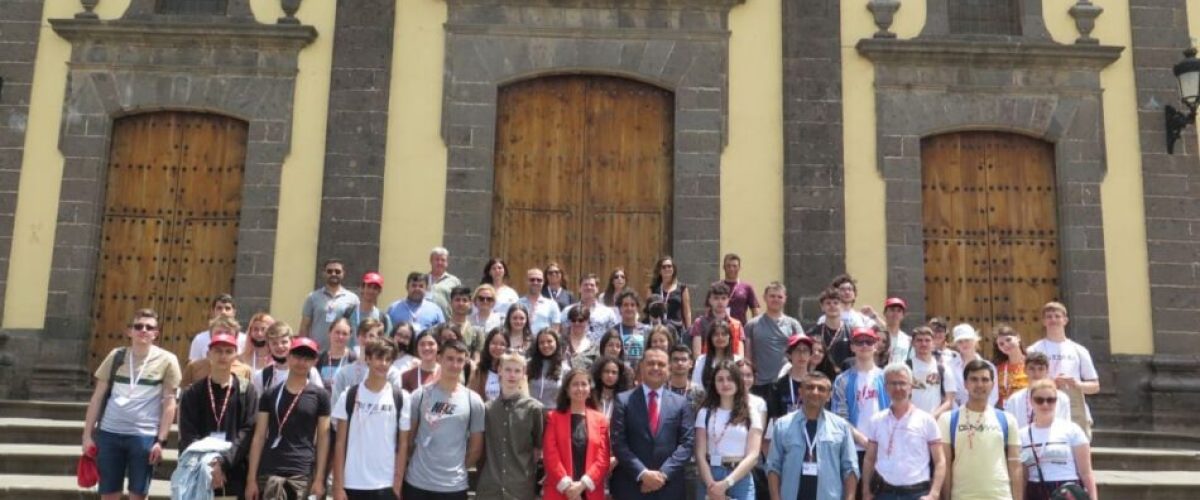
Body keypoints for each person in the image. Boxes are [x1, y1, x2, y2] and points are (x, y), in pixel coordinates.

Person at [83, 308, 181, 500]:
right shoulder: (116, 356)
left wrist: (161, 441)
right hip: (109, 434)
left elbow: (170, 403)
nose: (143, 330)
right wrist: (87, 435)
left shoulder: (168, 360)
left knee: (138, 494)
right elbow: (97, 397)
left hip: (143, 436)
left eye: (149, 327)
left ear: (156, 333)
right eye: (138, 326)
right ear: (130, 331)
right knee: (108, 494)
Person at [245, 337, 331, 500]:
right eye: (298, 356)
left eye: (308, 358)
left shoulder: (321, 396)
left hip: (302, 472)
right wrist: (251, 479)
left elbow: (323, 438)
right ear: (289, 357)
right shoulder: (270, 394)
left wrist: (319, 479)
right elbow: (259, 437)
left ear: (314, 361)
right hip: (269, 471)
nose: (302, 362)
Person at [177, 333, 259, 498]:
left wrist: (223, 463)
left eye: (229, 351)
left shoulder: (247, 391)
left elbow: (247, 431)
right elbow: (188, 433)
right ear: (208, 354)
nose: (223, 356)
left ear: (236, 355)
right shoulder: (193, 392)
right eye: (218, 351)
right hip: (199, 469)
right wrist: (210, 464)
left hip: (235, 468)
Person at [403, 339, 485, 500]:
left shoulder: (473, 401)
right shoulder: (419, 395)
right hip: (417, 484)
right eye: (450, 358)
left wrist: (455, 470)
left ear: (465, 363)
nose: (454, 365)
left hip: (453, 486)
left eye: (460, 360)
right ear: (439, 358)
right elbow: (409, 440)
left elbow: (475, 449)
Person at [610, 347, 696, 499]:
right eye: (651, 363)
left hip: (669, 488)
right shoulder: (623, 401)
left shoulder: (681, 403)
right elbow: (618, 443)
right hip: (631, 486)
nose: (656, 368)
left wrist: (662, 475)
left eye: (661, 364)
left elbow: (687, 444)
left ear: (668, 369)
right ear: (641, 366)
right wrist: (643, 474)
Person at [330, 338, 410, 500]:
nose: (383, 363)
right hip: (352, 483)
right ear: (367, 359)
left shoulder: (401, 397)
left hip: (385, 484)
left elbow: (403, 444)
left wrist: (397, 483)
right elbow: (339, 443)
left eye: (388, 359)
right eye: (379, 358)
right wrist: (338, 486)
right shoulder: (349, 395)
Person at [765, 372, 859, 500]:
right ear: (800, 392)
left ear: (829, 396)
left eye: (821, 389)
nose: (815, 392)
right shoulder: (782, 425)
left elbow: (850, 468)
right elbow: (773, 467)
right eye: (809, 387)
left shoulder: (841, 427)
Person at [860, 363, 946, 500]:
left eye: (902, 383)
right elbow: (869, 459)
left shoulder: (927, 420)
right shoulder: (876, 420)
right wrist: (865, 491)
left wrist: (934, 494)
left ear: (911, 387)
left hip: (917, 494)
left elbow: (940, 460)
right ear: (886, 388)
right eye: (893, 383)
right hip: (884, 492)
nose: (898, 388)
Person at [938, 359, 1022, 500]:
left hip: (1000, 496)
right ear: (965, 384)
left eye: (985, 379)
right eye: (974, 379)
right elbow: (944, 465)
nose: (979, 384)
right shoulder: (947, 419)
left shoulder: (1008, 419)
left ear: (992, 384)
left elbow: (1015, 466)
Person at [477, 352, 545, 499]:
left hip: (519, 488)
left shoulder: (534, 409)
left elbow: (537, 449)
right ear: (500, 371)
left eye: (517, 371)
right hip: (490, 488)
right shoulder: (487, 409)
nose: (512, 375)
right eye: (508, 370)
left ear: (523, 374)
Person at [1027, 301, 1099, 437]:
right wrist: (1051, 383)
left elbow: (1095, 386)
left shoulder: (1079, 350)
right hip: (1044, 406)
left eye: (1057, 316)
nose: (1053, 319)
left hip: (1075, 408)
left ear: (1065, 320)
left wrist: (1077, 384)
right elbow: (1027, 381)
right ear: (1043, 321)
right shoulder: (1034, 349)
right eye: (1049, 317)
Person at [1018, 379, 1097, 500]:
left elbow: (1086, 472)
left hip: (1066, 491)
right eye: (1039, 400)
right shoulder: (1022, 434)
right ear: (1031, 402)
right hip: (1034, 490)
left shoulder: (1072, 430)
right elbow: (1022, 477)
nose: (1045, 404)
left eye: (1050, 400)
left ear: (1056, 401)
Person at [695, 360, 763, 500]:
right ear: (714, 384)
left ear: (738, 382)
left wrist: (726, 483)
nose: (725, 384)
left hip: (739, 478)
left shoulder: (751, 413)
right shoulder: (705, 412)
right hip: (710, 476)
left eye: (730, 379)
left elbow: (753, 455)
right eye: (720, 379)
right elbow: (700, 454)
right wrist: (711, 485)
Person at [831, 327, 889, 491]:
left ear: (876, 345)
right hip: (853, 449)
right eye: (859, 342)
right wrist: (864, 441)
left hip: (883, 448)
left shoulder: (886, 378)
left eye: (869, 341)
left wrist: (878, 443)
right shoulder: (842, 380)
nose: (864, 345)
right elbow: (840, 418)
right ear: (852, 347)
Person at [544, 367, 611, 500]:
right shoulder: (553, 418)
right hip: (561, 491)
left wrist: (582, 485)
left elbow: (603, 458)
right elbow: (550, 454)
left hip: (590, 491)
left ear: (590, 391)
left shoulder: (600, 420)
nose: (580, 388)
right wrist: (567, 486)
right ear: (567, 391)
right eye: (575, 384)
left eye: (584, 384)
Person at [745, 282, 804, 403]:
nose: (775, 299)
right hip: (759, 383)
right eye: (772, 296)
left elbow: (802, 351)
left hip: (785, 381)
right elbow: (747, 356)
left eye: (779, 297)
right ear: (765, 298)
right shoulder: (752, 325)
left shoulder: (793, 324)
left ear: (785, 299)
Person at [331, 318, 405, 401]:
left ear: (379, 339)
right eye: (363, 335)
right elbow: (335, 404)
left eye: (371, 336)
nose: (367, 340)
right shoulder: (344, 373)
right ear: (357, 337)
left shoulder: (391, 373)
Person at [301, 258, 360, 349]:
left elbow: (355, 328)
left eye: (337, 271)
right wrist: (303, 347)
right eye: (329, 271)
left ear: (343, 273)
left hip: (342, 353)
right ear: (324, 273)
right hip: (317, 352)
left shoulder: (353, 299)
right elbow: (305, 326)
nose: (333, 274)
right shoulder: (312, 297)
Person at [250, 321, 323, 394]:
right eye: (274, 343)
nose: (280, 346)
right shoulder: (262, 376)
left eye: (284, 342)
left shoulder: (309, 372)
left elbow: (320, 398)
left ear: (292, 342)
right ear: (268, 346)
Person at [181, 316, 253, 387]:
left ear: (236, 337)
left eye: (228, 333)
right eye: (219, 333)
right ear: (210, 335)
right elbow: (182, 393)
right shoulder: (194, 368)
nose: (223, 337)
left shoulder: (244, 371)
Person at [1005, 352, 1072, 426]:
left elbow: (1066, 427)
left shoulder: (1061, 398)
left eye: (1041, 369)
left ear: (1047, 371)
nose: (1036, 373)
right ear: (1025, 370)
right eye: (1032, 369)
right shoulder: (1014, 400)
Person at [907, 326, 957, 419]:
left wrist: (933, 417)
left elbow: (949, 401)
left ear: (933, 343)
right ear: (913, 343)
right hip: (910, 421)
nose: (924, 344)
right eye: (919, 340)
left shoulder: (943, 368)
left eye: (927, 340)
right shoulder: (905, 368)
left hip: (936, 421)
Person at [949, 324, 999, 407]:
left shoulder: (989, 366)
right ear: (956, 345)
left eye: (967, 340)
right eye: (960, 341)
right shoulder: (949, 366)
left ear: (975, 341)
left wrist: (983, 410)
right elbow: (950, 395)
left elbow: (993, 394)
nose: (964, 344)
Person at [690, 282, 746, 357]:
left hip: (731, 366)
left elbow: (740, 355)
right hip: (707, 365)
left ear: (728, 300)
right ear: (710, 300)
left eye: (723, 298)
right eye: (716, 298)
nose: (720, 302)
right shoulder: (699, 322)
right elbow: (697, 354)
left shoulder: (737, 324)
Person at [560, 273, 619, 342]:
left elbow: (613, 335)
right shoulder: (568, 311)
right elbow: (564, 334)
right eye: (585, 285)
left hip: (599, 351)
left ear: (597, 289)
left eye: (592, 285)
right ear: (579, 288)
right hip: (576, 351)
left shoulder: (608, 312)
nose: (589, 287)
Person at [770, 335, 813, 420]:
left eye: (805, 350)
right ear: (789, 355)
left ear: (810, 355)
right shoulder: (777, 385)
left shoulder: (816, 384)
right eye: (797, 350)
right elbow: (775, 416)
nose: (802, 355)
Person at [188, 294, 242, 362]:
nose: (223, 312)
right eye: (219, 308)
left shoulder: (244, 340)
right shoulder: (199, 340)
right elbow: (193, 367)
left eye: (227, 308)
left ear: (234, 312)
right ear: (213, 311)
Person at [807, 288, 851, 370]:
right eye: (828, 303)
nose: (832, 306)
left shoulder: (850, 333)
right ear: (822, 307)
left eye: (836, 303)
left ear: (842, 306)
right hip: (819, 378)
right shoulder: (812, 333)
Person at [648, 256, 692, 333]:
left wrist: (689, 331)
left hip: (676, 329)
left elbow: (687, 312)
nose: (667, 269)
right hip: (657, 329)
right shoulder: (652, 289)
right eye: (664, 267)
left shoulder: (682, 288)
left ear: (673, 269)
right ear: (659, 270)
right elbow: (648, 311)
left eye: (669, 266)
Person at [693, 320, 742, 388]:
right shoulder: (701, 360)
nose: (720, 337)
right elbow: (696, 386)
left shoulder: (738, 360)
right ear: (711, 338)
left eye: (724, 334)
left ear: (729, 338)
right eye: (716, 334)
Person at [529, 328, 570, 407]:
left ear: (556, 343)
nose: (545, 345)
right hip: (530, 413)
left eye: (549, 341)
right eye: (541, 342)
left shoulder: (565, 369)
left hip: (553, 414)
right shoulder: (528, 365)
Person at [345, 271, 393, 337]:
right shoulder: (348, 313)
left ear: (379, 291)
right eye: (369, 286)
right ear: (362, 288)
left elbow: (386, 343)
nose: (371, 291)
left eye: (375, 288)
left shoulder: (383, 319)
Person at [469, 328, 509, 402]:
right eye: (494, 343)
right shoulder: (479, 370)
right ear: (488, 345)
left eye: (502, 344)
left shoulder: (512, 371)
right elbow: (472, 396)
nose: (498, 347)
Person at [518, 267, 563, 334]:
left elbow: (555, 329)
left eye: (539, 280)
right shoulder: (518, 303)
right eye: (532, 280)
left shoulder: (552, 305)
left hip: (543, 343)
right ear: (526, 281)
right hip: (522, 343)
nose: (535, 282)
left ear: (543, 282)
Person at [993, 325, 1029, 407]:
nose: (1006, 345)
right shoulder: (997, 368)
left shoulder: (1032, 364)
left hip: (1026, 410)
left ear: (1018, 338)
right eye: (1001, 344)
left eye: (1008, 340)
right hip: (1004, 411)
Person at [318, 318, 357, 392]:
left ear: (350, 336)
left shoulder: (353, 359)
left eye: (345, 334)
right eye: (337, 332)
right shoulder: (320, 358)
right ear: (329, 333)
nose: (340, 337)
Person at [720, 253, 760, 324]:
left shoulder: (747, 287)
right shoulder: (716, 286)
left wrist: (754, 330)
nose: (731, 269)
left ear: (739, 268)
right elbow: (708, 310)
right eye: (728, 266)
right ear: (723, 267)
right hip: (719, 331)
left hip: (740, 330)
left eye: (734, 266)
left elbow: (755, 311)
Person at [444, 285, 483, 356]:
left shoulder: (476, 332)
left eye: (465, 300)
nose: (461, 303)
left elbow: (477, 358)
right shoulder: (440, 329)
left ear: (470, 304)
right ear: (450, 303)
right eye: (457, 300)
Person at [592, 355, 633, 421]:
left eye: (614, 372)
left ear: (619, 376)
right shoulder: (591, 396)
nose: (610, 375)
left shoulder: (625, 399)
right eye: (606, 371)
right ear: (599, 374)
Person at [616, 290, 649, 371]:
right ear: (620, 308)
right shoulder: (614, 331)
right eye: (625, 305)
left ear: (637, 308)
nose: (629, 308)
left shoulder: (647, 331)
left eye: (632, 305)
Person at [667, 344, 707, 411]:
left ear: (691, 363)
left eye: (684, 359)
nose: (679, 363)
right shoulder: (661, 389)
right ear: (669, 363)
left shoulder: (699, 392)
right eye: (675, 359)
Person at [426, 247, 462, 317]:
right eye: (437, 259)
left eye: (443, 260)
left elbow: (460, 302)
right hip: (427, 322)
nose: (440, 263)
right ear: (431, 261)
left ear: (447, 262)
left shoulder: (454, 281)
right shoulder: (423, 280)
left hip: (447, 322)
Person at [877, 298, 912, 365]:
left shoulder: (908, 340)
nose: (895, 313)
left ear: (903, 315)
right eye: (892, 310)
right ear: (885, 313)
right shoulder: (878, 338)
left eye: (899, 311)